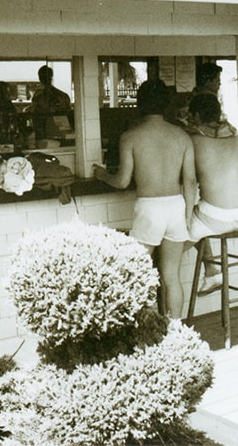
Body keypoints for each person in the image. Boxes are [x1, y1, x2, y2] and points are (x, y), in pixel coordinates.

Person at [93, 78, 196, 320]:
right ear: (167, 104)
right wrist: (188, 216)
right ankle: (175, 331)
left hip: (149, 208)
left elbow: (122, 181)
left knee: (142, 273)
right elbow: (190, 181)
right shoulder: (182, 136)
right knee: (172, 277)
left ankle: (150, 331)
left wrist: (102, 174)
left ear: (140, 104)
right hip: (176, 206)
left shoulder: (131, 136)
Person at [185, 93, 238, 296]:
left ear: (197, 115)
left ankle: (212, 272)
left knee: (170, 246)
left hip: (215, 217)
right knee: (195, 216)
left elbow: (188, 179)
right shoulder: (237, 136)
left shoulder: (194, 141)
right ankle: (211, 270)